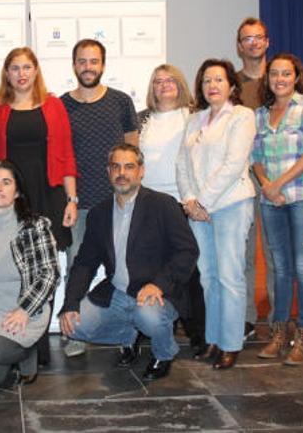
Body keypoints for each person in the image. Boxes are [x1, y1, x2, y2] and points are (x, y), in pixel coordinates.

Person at [0, 47, 77, 365]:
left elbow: (67, 155)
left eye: (27, 67)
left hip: (49, 193)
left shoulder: (55, 105)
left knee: (44, 266)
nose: (21, 73)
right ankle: (19, 332)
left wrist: (72, 199)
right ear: (7, 73)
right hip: (10, 198)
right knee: (17, 264)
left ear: (36, 71)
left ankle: (40, 338)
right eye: (15, 67)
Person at [60, 144, 198, 381]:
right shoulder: (99, 213)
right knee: (75, 326)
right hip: (118, 292)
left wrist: (159, 284)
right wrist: (70, 303)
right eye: (116, 167)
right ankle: (129, 337)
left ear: (141, 171)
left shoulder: (163, 205)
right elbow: (84, 263)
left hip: (157, 292)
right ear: (108, 171)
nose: (121, 173)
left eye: (129, 167)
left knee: (149, 317)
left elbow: (187, 251)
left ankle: (163, 353)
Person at [176, 59, 256, 370]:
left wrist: (202, 202)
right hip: (199, 210)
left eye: (219, 80)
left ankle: (231, 343)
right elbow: (182, 165)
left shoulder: (241, 116)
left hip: (231, 205)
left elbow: (233, 164)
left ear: (232, 85)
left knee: (230, 276)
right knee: (208, 278)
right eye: (207, 80)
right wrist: (189, 200)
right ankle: (212, 339)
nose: (212, 85)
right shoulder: (193, 120)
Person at [60, 39, 138, 359]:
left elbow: (132, 153)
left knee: (125, 267)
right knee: (78, 267)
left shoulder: (120, 102)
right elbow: (62, 157)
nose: (88, 67)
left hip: (118, 203)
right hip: (79, 204)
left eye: (94, 61)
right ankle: (73, 331)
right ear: (74, 65)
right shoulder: (62, 105)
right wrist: (70, 198)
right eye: (82, 61)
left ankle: (128, 330)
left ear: (103, 65)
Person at [251, 54, 303, 365]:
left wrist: (277, 183)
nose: (279, 79)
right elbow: (254, 156)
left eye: (286, 74)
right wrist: (267, 184)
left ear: (296, 77)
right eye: (274, 74)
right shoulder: (259, 114)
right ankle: (280, 334)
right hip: (271, 200)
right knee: (279, 269)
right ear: (267, 79)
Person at [0, 160, 60, 390]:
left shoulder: (35, 226)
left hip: (26, 310)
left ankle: (26, 353)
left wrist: (24, 310)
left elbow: (49, 274)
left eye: (6, 182)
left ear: (17, 192)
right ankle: (10, 351)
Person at [137, 64, 205, 353]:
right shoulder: (142, 120)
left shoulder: (194, 117)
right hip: (148, 204)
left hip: (181, 203)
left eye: (170, 81)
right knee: (149, 269)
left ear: (180, 85)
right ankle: (148, 326)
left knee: (188, 273)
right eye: (158, 82)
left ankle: (197, 332)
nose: (164, 86)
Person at [235, 17, 276, 339]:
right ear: (239, 46)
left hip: (280, 182)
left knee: (277, 254)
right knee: (244, 254)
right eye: (247, 39)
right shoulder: (232, 86)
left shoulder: (281, 78)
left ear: (267, 42)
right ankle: (247, 317)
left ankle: (278, 319)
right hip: (244, 180)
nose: (253, 43)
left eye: (258, 38)